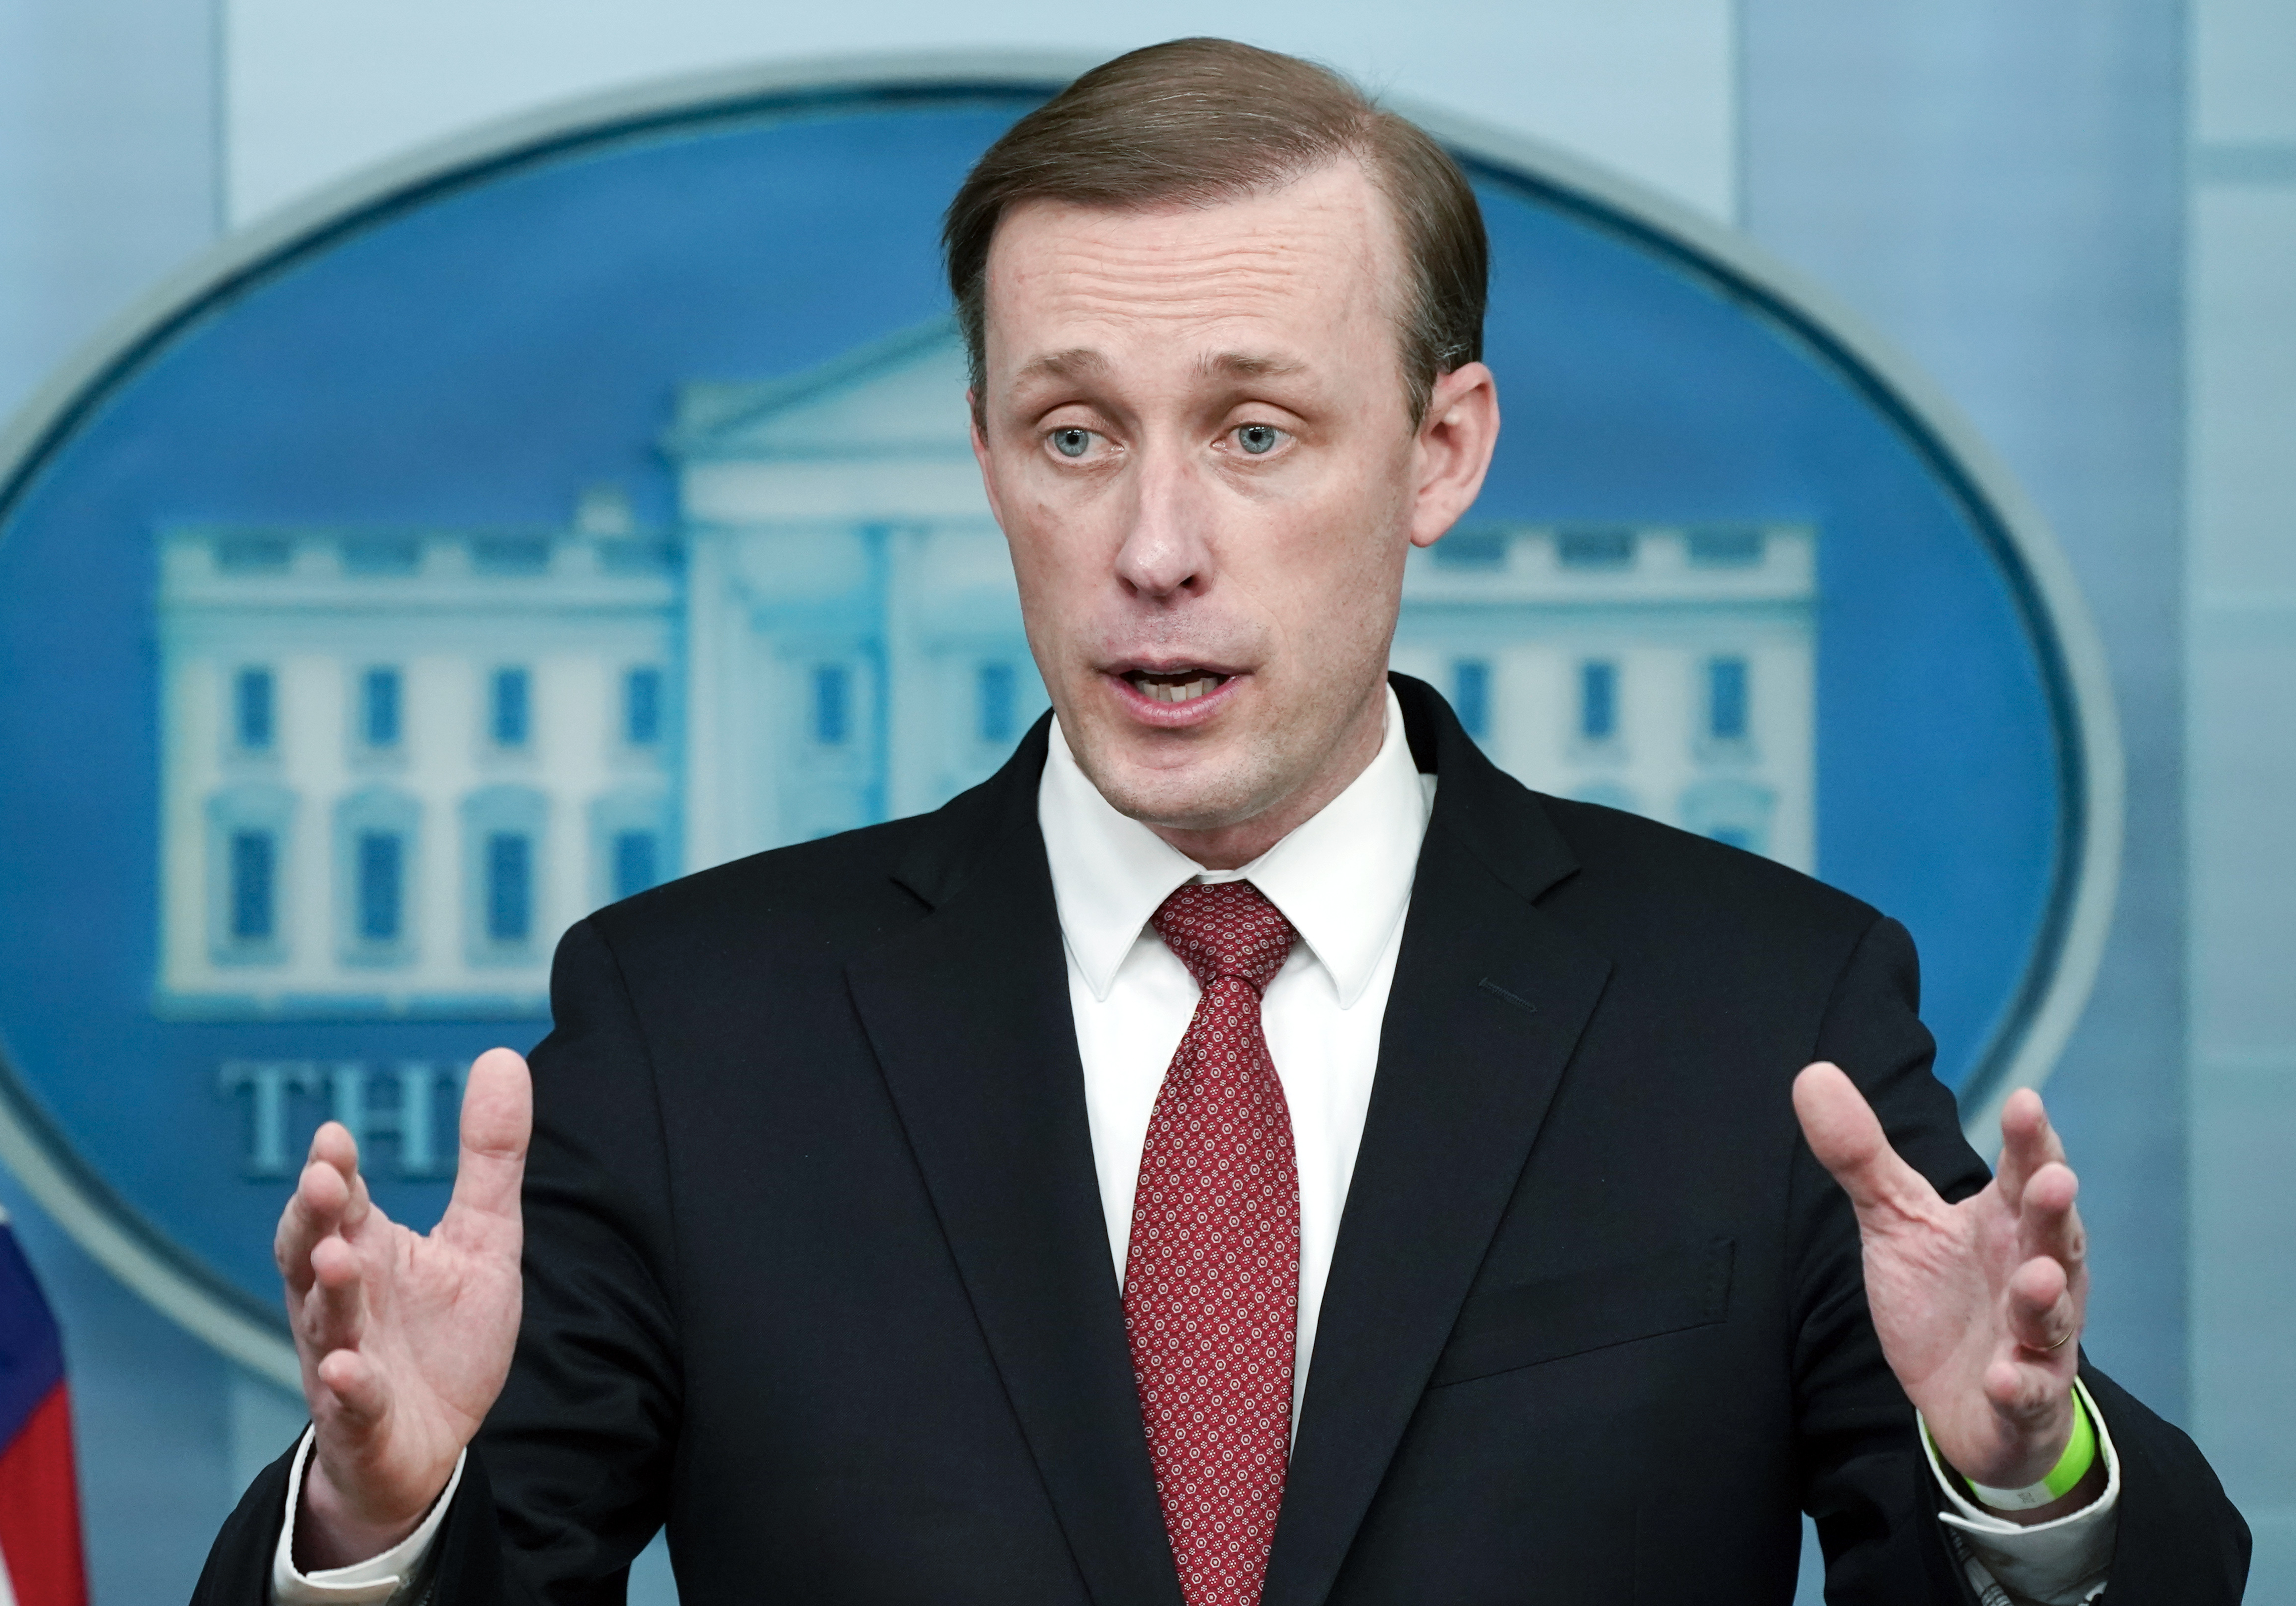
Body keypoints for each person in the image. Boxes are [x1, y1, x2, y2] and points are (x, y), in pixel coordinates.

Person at [196, 38, 2248, 1606]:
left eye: (1256, 436)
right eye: (1072, 434)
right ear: (989, 456)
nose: (1152, 548)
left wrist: (2024, 1469)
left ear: (1440, 454)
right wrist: (385, 1518)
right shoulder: (698, 1023)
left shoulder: (1752, 1008)